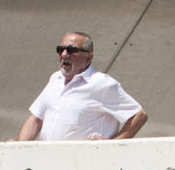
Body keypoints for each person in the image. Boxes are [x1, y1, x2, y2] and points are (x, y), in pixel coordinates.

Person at [17, 31, 147, 141]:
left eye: (71, 50)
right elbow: (36, 119)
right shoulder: (55, 79)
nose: (64, 54)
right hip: (47, 163)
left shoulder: (101, 84)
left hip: (83, 166)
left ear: (89, 57)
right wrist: (18, 149)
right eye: (60, 49)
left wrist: (113, 145)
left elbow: (138, 116)